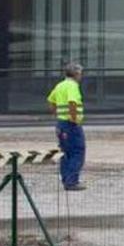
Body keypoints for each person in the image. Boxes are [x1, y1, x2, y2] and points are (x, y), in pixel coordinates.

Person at [46, 62, 86, 191]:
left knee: (66, 152)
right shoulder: (72, 86)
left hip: (61, 123)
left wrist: (57, 115)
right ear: (76, 74)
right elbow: (72, 102)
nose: (81, 76)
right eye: (80, 73)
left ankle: (65, 179)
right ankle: (72, 182)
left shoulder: (60, 85)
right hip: (71, 125)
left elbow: (51, 101)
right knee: (77, 151)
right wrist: (74, 119)